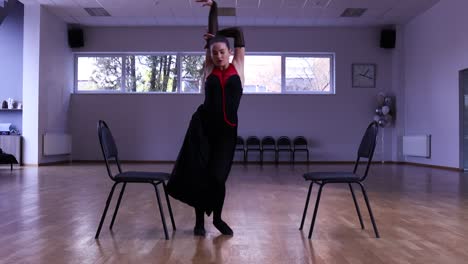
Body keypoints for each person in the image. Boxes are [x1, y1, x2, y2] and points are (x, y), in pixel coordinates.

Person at [167, 0, 245, 236]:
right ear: (210, 55)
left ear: (230, 53)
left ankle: (218, 218)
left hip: (226, 133)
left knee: (217, 177)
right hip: (203, 129)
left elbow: (239, 33)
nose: (219, 55)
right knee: (199, 174)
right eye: (214, 52)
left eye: (222, 51)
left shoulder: (238, 66)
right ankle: (199, 221)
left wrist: (216, 10)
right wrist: (213, 13)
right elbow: (212, 39)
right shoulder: (209, 68)